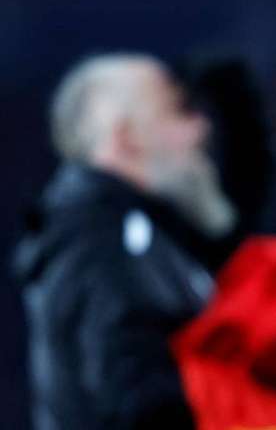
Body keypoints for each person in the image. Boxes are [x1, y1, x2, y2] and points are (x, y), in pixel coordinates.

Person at [13, 53, 233, 429]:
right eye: (176, 111)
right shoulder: (102, 238)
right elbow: (135, 397)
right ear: (126, 136)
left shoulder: (137, 234)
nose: (199, 128)